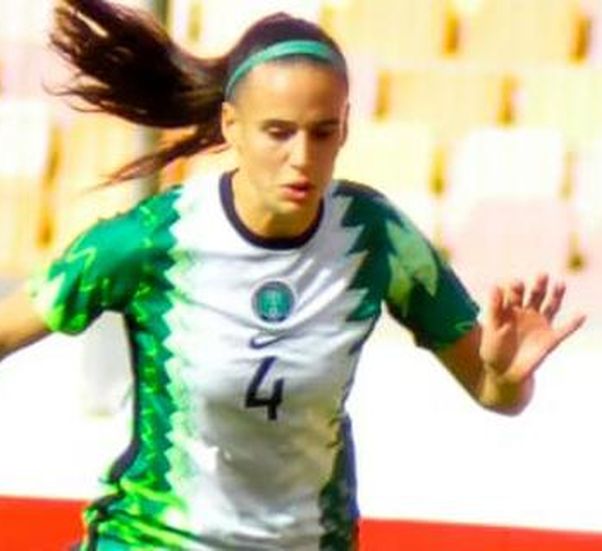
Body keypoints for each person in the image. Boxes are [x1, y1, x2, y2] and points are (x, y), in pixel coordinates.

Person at [0, 1, 585, 549]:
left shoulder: (376, 236)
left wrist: (503, 375)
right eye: (278, 132)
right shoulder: (155, 240)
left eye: (322, 131)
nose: (302, 157)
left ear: (345, 127)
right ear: (231, 125)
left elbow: (497, 394)